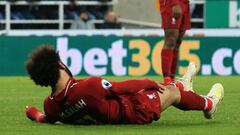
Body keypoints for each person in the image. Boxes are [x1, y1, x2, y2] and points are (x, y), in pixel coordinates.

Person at [25, 45, 224, 124]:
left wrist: (32, 112)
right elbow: (124, 87)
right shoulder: (88, 87)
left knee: (173, 89)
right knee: (171, 92)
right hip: (133, 110)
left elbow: (45, 118)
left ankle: (183, 85)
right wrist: (149, 82)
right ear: (60, 65)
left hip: (119, 108)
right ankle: (209, 104)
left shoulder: (50, 105)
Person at [159, 0, 191, 84]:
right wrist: (175, 3)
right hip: (171, 3)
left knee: (178, 42)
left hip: (185, 3)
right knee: (171, 41)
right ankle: (167, 78)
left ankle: (172, 78)